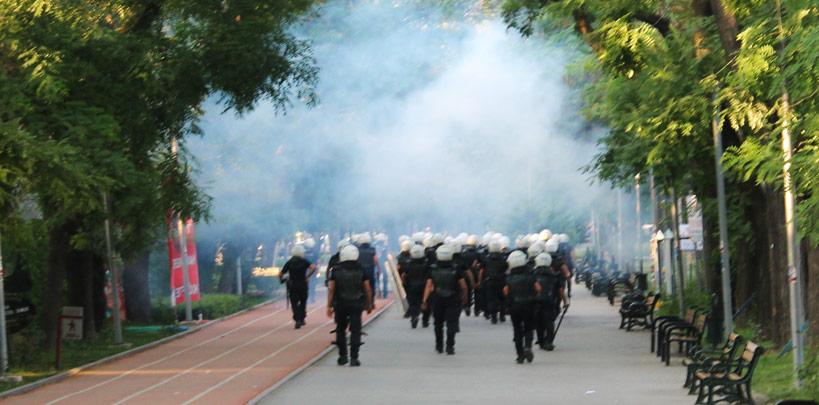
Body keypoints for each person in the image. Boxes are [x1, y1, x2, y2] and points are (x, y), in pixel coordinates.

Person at [327, 245, 373, 367]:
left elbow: (331, 289)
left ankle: (342, 356)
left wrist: (329, 306)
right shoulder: (361, 269)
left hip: (340, 304)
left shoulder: (335, 270)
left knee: (341, 329)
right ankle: (354, 358)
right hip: (356, 304)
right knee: (356, 330)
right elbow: (367, 288)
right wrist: (369, 304)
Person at [422, 244, 467, 355]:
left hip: (437, 298)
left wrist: (424, 300)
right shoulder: (455, 268)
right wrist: (465, 297)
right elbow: (463, 285)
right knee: (451, 323)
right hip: (453, 297)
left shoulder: (433, 269)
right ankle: (450, 346)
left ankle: (439, 345)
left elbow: (428, 286)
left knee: (438, 324)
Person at [504, 251, 541, 364]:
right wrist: (535, 297)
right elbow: (538, 288)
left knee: (517, 330)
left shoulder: (509, 278)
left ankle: (520, 355)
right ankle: (528, 347)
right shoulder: (530, 276)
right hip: (529, 305)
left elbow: (505, 291)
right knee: (528, 328)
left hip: (514, 306)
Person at [532, 253, 569, 351]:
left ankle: (540, 341)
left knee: (538, 322)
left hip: (536, 302)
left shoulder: (533, 274)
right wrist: (565, 301)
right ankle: (549, 341)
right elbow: (560, 290)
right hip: (549, 302)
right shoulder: (554, 276)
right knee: (549, 322)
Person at [280, 245, 316, 329]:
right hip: (303, 284)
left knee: (294, 303)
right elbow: (313, 267)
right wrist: (308, 276)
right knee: (303, 302)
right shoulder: (304, 261)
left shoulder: (289, 262)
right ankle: (302, 317)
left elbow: (281, 273)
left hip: (293, 285)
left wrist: (282, 280)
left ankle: (297, 320)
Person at [480, 240, 508, 324]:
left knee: (491, 299)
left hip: (490, 281)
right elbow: (507, 270)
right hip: (501, 282)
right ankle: (502, 316)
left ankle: (493, 317)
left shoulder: (486, 259)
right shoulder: (503, 259)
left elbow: (482, 271)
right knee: (502, 299)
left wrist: (480, 281)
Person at [402, 244, 430, 328]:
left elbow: (404, 275)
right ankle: (425, 320)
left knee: (413, 303)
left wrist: (405, 284)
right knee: (426, 302)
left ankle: (414, 317)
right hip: (424, 286)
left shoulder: (408, 264)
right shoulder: (427, 264)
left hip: (411, 286)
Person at [356, 233, 381, 297]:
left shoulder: (357, 250)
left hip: (360, 271)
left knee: (361, 286)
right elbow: (375, 260)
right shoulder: (372, 249)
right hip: (370, 270)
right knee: (371, 285)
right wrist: (378, 268)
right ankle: (371, 301)